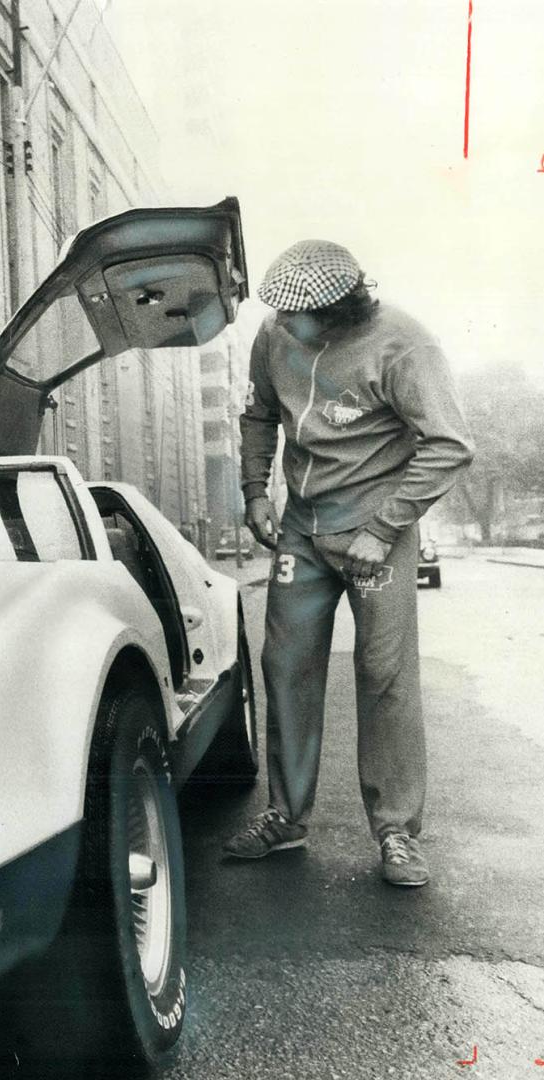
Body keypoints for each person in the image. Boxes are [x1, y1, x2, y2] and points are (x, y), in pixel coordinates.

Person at [223, 239, 474, 887]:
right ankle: (284, 816)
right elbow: (257, 415)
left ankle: (395, 830)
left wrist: (386, 525)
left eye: (295, 316)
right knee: (283, 665)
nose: (280, 325)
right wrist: (254, 491)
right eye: (274, 314)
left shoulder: (402, 346)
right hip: (302, 531)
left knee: (383, 673)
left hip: (375, 533)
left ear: (339, 310)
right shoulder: (273, 333)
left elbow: (449, 445)